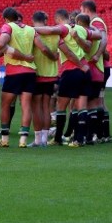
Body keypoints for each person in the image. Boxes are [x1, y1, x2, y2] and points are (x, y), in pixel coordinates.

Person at [0, 7, 47, 148]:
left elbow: (1, 44)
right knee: (26, 106)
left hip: (14, 72)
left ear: (5, 18)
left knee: (5, 104)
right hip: (30, 72)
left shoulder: (8, 27)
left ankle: (4, 139)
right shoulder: (31, 29)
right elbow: (42, 48)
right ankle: (23, 141)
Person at [35, 8, 101, 147]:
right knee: (81, 107)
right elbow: (98, 35)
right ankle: (79, 139)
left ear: (58, 19)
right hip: (85, 70)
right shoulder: (81, 29)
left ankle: (58, 138)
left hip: (71, 71)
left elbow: (49, 31)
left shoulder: (63, 28)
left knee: (61, 106)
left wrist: (29, 29)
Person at [81, 0, 112, 143]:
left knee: (96, 101)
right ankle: (103, 134)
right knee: (100, 100)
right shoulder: (97, 22)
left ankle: (98, 134)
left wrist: (98, 54)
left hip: (100, 67)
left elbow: (104, 40)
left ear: (86, 10)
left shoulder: (96, 23)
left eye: (82, 11)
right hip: (102, 67)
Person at [28, 10, 59, 147]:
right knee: (46, 106)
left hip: (37, 73)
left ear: (33, 20)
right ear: (45, 20)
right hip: (51, 74)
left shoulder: (31, 33)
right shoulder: (54, 34)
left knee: (36, 108)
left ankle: (37, 140)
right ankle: (45, 140)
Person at [73, 13, 104, 144]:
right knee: (94, 105)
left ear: (79, 22)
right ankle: (93, 136)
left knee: (83, 105)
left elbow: (86, 48)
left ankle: (84, 136)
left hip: (90, 70)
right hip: (99, 71)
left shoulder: (86, 35)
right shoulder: (94, 32)